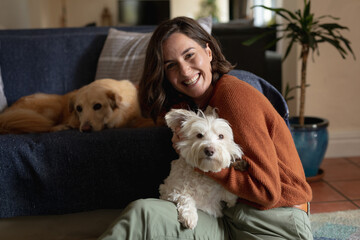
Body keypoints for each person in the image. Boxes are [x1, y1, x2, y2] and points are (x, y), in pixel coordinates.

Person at [99, 16, 313, 240]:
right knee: (141, 214)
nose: (184, 71)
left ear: (208, 53)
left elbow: (267, 193)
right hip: (226, 217)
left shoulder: (233, 96)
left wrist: (199, 159)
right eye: (171, 65)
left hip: (275, 221)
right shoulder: (194, 106)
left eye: (189, 55)